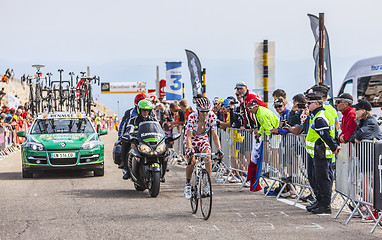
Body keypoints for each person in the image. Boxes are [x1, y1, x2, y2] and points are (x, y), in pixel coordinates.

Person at [305, 93, 341, 214]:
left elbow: (325, 134)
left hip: (321, 152)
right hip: (317, 152)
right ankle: (320, 201)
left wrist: (334, 147)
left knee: (323, 178)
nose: (307, 105)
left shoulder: (320, 116)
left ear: (317, 103)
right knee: (316, 177)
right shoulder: (320, 114)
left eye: (309, 103)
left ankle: (325, 204)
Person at [183, 97, 224, 199]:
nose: (205, 114)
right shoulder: (192, 117)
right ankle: (188, 185)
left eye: (206, 111)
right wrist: (189, 150)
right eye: (202, 112)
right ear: (198, 110)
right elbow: (188, 136)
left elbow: (214, 135)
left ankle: (206, 184)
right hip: (191, 139)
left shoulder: (211, 116)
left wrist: (219, 148)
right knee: (191, 161)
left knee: (208, 156)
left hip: (202, 138)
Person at [246, 99, 279, 191]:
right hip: (272, 131)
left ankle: (273, 168)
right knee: (270, 149)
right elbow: (264, 125)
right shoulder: (258, 112)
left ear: (256, 106)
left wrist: (265, 138)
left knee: (273, 150)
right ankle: (270, 167)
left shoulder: (261, 113)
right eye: (248, 108)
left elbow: (268, 126)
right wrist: (260, 132)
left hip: (274, 132)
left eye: (251, 108)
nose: (249, 110)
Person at [122, 99, 157, 180]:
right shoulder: (133, 120)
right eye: (143, 110)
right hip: (138, 141)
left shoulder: (153, 120)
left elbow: (159, 129)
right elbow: (129, 129)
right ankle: (127, 169)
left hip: (149, 142)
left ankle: (162, 169)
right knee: (128, 147)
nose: (145, 112)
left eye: (147, 111)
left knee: (163, 150)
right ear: (139, 110)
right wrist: (130, 134)